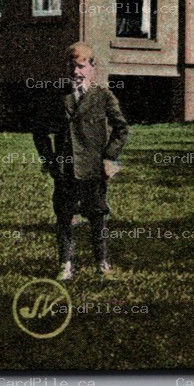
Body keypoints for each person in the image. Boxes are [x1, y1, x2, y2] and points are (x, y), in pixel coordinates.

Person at [32, 43, 130, 280]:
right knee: (64, 216)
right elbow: (39, 131)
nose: (76, 72)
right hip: (65, 169)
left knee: (97, 216)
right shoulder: (57, 97)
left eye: (81, 66)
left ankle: (102, 262)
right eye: (71, 67)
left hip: (94, 169)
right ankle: (65, 264)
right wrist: (50, 160)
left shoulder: (103, 96)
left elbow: (121, 128)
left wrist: (109, 157)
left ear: (92, 68)